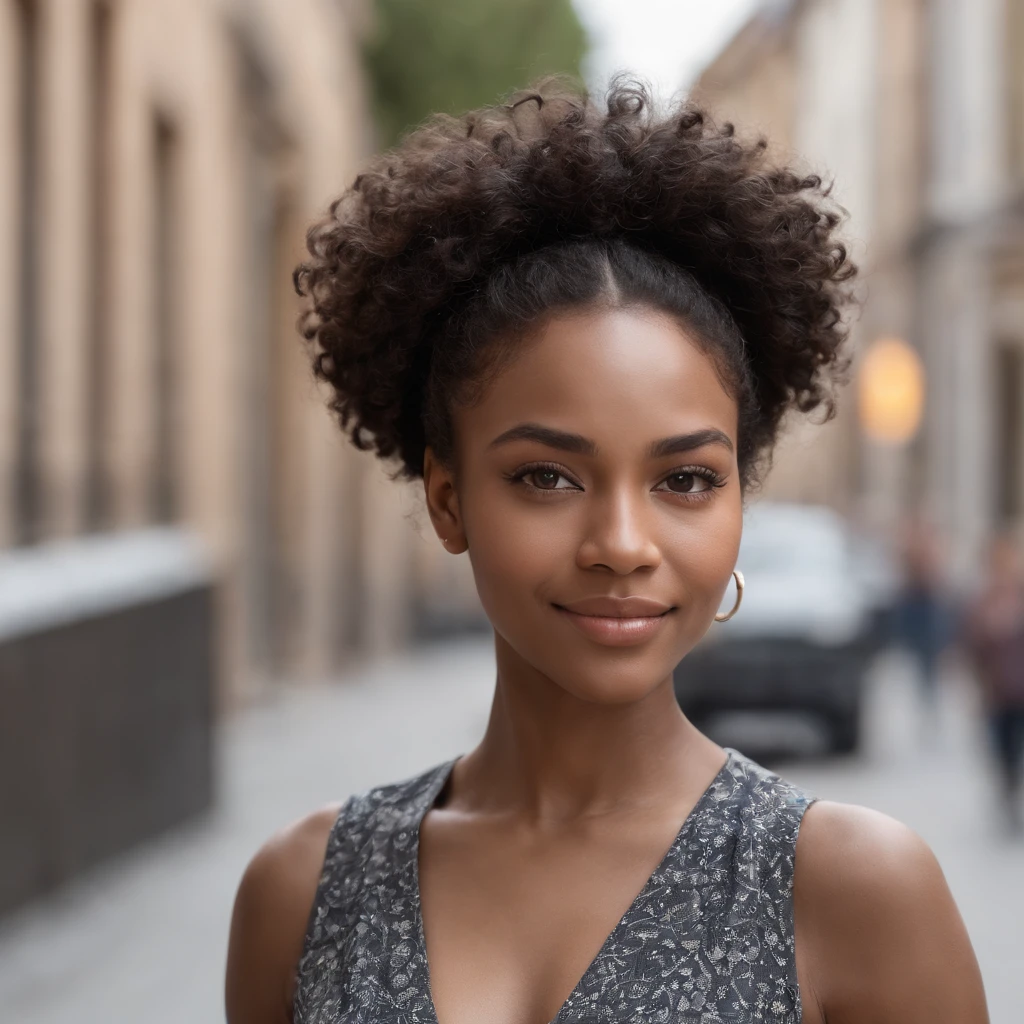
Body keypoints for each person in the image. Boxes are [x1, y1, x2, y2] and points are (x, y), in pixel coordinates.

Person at [226, 81, 987, 1024]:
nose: (622, 545)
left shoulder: (854, 893)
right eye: (547, 477)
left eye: (687, 481)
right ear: (448, 498)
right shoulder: (301, 896)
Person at [963, 531, 1024, 835]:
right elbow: (972, 650)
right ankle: (1007, 793)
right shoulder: (981, 602)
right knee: (1001, 751)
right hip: (998, 692)